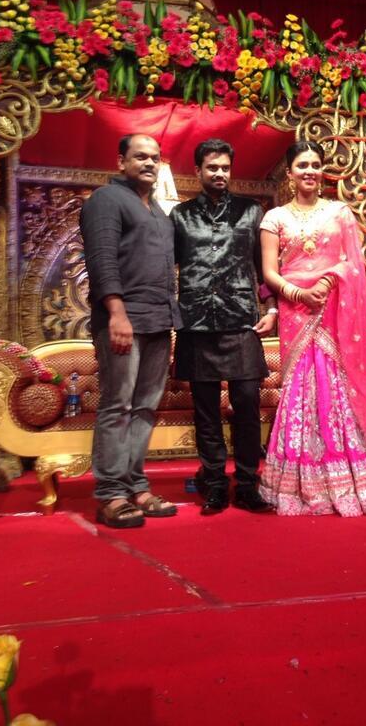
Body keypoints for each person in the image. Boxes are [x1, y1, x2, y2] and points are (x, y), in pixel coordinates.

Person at [258, 140, 366, 516]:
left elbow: (353, 263)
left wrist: (329, 278)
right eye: (302, 165)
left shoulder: (340, 212)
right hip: (295, 311)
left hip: (333, 309)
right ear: (290, 173)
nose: (310, 171)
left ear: (322, 171)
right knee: (300, 385)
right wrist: (298, 294)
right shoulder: (274, 218)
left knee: (334, 383)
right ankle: (301, 480)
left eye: (315, 164)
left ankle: (347, 475)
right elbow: (269, 272)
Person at [80, 133, 182, 528]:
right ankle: (111, 494)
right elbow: (101, 260)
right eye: (140, 156)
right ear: (121, 161)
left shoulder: (158, 211)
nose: (149, 163)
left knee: (144, 408)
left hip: (158, 321)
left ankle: (136, 486)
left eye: (155, 157)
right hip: (123, 320)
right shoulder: (106, 200)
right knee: (118, 405)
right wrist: (116, 313)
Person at [170, 138, 276, 515]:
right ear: (197, 171)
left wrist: (271, 307)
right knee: (206, 411)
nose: (219, 174)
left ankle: (247, 484)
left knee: (246, 403)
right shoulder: (180, 216)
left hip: (241, 321)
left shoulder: (251, 212)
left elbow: (264, 267)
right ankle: (214, 484)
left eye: (225, 168)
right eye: (212, 167)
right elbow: (166, 267)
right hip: (196, 323)